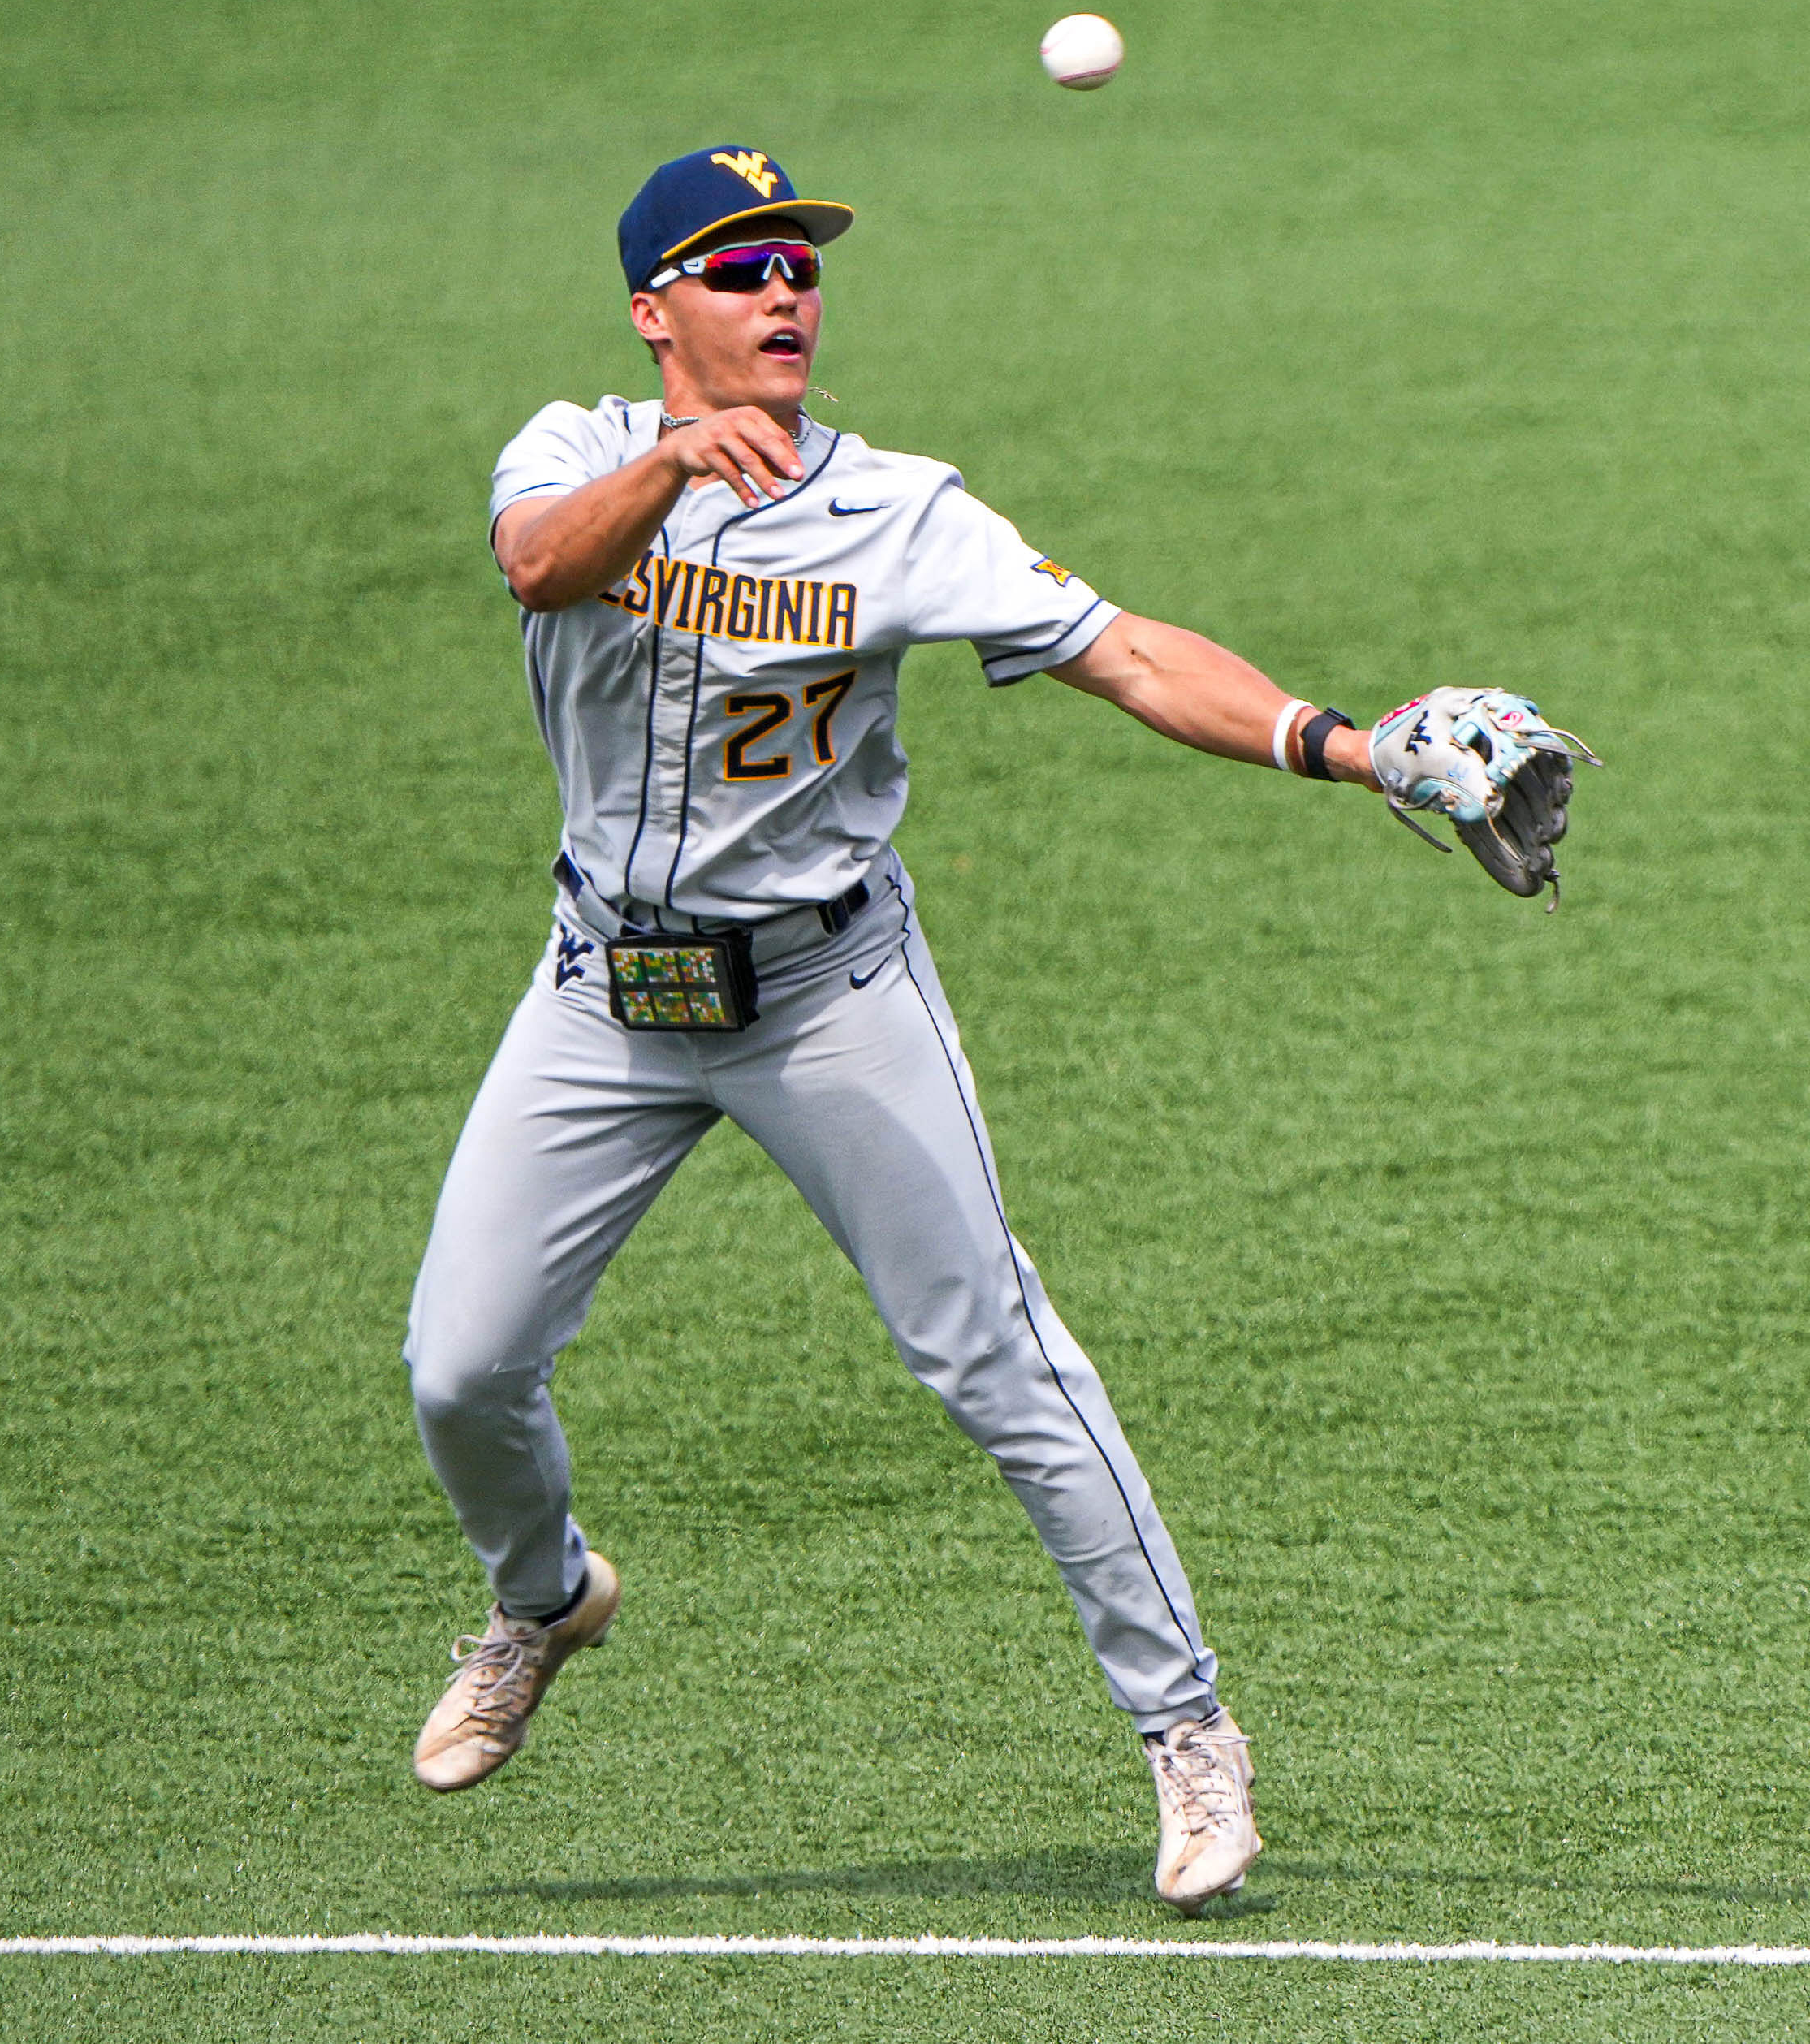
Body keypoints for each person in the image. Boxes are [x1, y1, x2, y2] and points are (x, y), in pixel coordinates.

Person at [408, 145, 1458, 1913]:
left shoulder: (898, 511)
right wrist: (670, 464)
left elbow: (1121, 651)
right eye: (739, 269)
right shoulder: (575, 452)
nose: (787, 294)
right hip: (603, 994)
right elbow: (535, 569)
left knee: (999, 1360)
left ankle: (1190, 1734)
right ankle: (541, 1598)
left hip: (830, 998)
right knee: (460, 1365)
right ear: (655, 312)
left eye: (800, 265)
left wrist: (1340, 741)